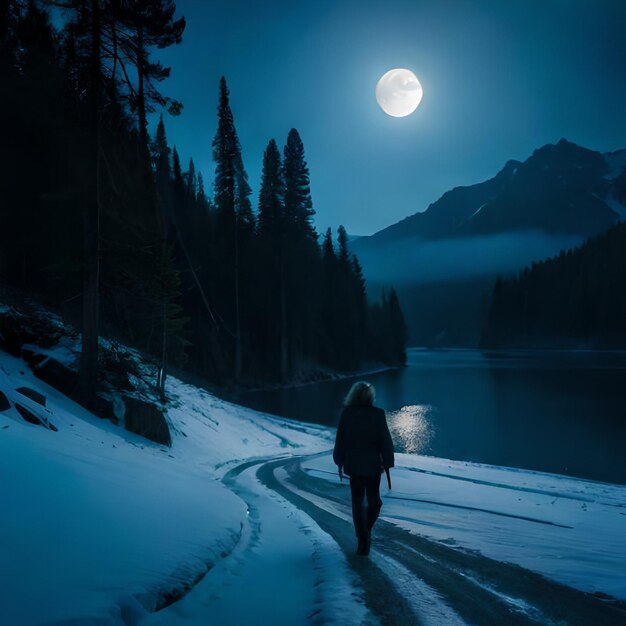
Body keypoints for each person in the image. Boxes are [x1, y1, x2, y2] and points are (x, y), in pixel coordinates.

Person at [333, 381, 394, 556]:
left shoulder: (347, 414)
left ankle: (363, 536)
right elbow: (385, 440)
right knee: (374, 501)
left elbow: (341, 440)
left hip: (354, 465)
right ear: (370, 396)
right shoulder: (378, 414)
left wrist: (339, 459)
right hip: (374, 467)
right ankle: (365, 533)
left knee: (358, 502)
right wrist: (388, 461)